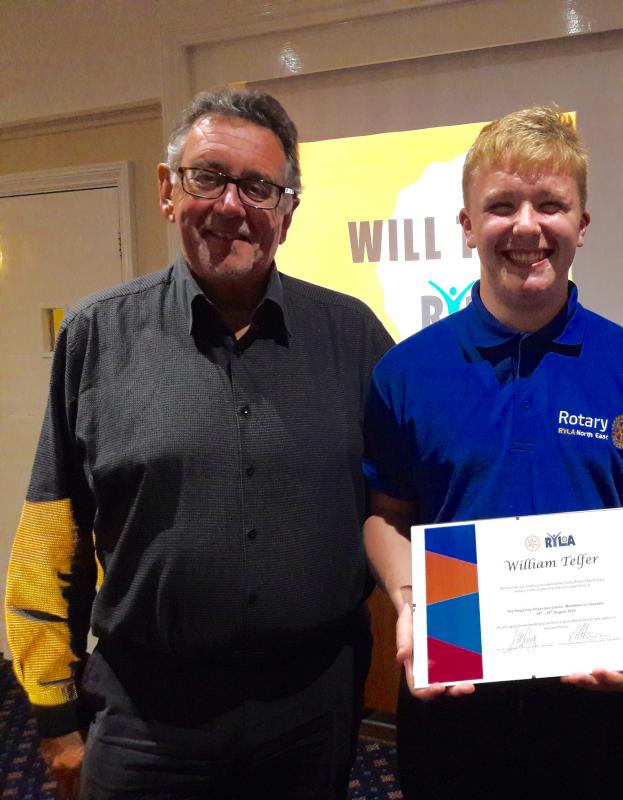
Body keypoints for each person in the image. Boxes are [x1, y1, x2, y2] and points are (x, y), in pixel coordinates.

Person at [4, 87, 393, 799]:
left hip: (311, 714)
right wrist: (55, 717)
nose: (231, 205)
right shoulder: (97, 336)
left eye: (258, 186)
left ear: (287, 210)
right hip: (145, 721)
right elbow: (49, 540)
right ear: (167, 190)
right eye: (207, 176)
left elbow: (408, 502)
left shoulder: (355, 338)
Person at [363, 106, 623, 800]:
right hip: (449, 693)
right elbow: (385, 515)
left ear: (581, 224)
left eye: (550, 205)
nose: (525, 226)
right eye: (500, 206)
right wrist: (408, 604)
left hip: (589, 706)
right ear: (465, 225)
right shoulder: (405, 372)